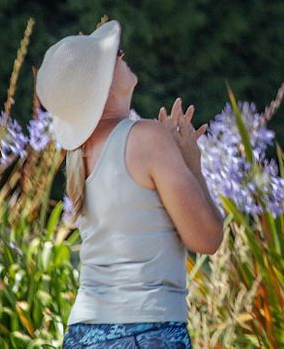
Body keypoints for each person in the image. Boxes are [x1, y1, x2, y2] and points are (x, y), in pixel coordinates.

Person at [36, 19, 224, 349]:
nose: (122, 55)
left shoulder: (77, 156)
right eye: (116, 56)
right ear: (104, 84)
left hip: (83, 333)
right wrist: (191, 161)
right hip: (147, 330)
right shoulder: (147, 138)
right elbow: (207, 238)